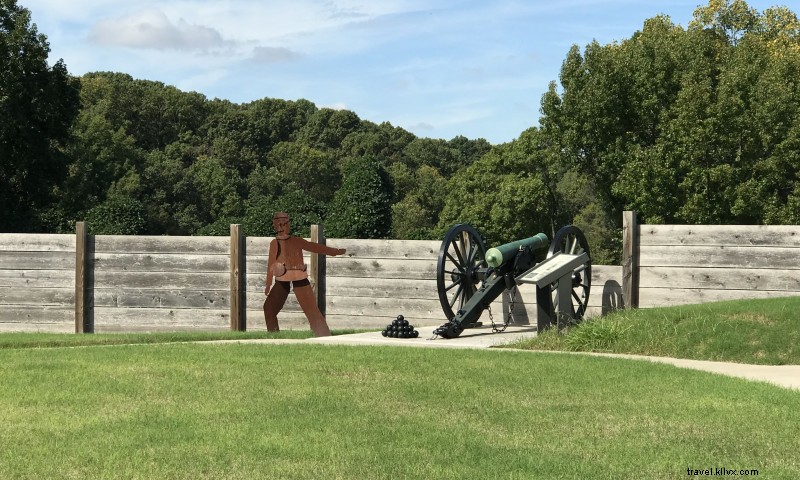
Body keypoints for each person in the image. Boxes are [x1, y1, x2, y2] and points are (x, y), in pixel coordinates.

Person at [263, 212, 346, 336]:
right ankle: (274, 338)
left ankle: (324, 337)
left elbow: (314, 247)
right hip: (282, 279)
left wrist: (334, 252)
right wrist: (268, 284)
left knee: (312, 311)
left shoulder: (295, 241)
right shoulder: (275, 243)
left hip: (298, 278)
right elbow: (272, 263)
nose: (283, 227)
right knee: (269, 308)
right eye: (283, 224)